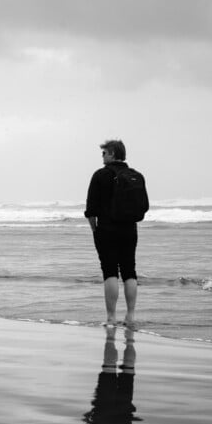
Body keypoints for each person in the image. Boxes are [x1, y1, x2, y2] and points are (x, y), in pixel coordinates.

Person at [84, 139, 142, 325]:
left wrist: (95, 230)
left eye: (104, 153)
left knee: (110, 271)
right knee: (129, 271)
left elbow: (91, 210)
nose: (102, 156)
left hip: (107, 229)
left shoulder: (100, 175)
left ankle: (111, 318)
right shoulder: (135, 175)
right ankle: (131, 316)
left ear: (113, 154)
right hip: (129, 230)